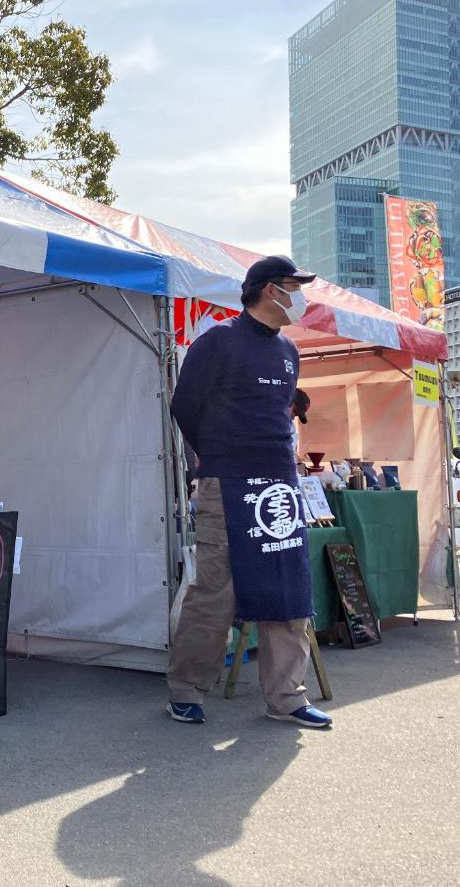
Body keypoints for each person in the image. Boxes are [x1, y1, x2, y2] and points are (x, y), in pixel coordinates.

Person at [167, 255, 332, 730]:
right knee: (215, 591)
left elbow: (281, 412)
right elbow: (185, 405)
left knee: (288, 587)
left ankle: (287, 696)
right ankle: (186, 688)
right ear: (267, 290)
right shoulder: (218, 340)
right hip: (228, 482)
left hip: (280, 481)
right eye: (292, 286)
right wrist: (215, 457)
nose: (299, 295)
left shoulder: (288, 351)